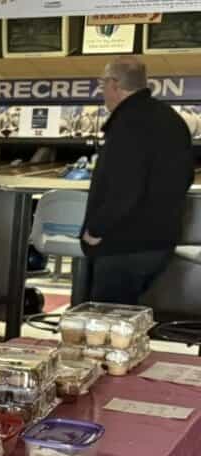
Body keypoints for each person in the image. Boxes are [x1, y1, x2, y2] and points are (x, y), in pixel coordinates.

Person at [81, 56, 195, 304]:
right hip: (159, 245)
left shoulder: (127, 124)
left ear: (114, 84)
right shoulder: (171, 118)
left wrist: (95, 229)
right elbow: (186, 176)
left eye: (102, 84)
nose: (102, 92)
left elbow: (124, 189)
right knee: (126, 321)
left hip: (124, 246)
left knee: (105, 323)